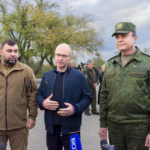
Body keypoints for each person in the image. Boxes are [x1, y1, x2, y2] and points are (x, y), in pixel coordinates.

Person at [99, 22, 150, 150]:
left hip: (139, 127)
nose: (119, 39)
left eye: (124, 35)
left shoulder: (147, 63)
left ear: (135, 38)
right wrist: (103, 124)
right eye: (117, 37)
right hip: (114, 126)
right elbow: (104, 95)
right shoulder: (110, 64)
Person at [36, 43, 91, 150]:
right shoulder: (47, 76)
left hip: (72, 129)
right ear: (54, 56)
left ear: (70, 57)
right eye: (58, 55)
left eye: (64, 56)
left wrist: (75, 109)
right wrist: (43, 103)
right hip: (52, 130)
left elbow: (87, 97)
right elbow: (39, 95)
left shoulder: (79, 76)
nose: (60, 58)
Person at [0, 39, 38, 150]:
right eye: (9, 51)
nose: (13, 54)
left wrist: (32, 116)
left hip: (19, 127)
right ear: (1, 52)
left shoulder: (26, 71)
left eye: (16, 51)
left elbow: (32, 95)